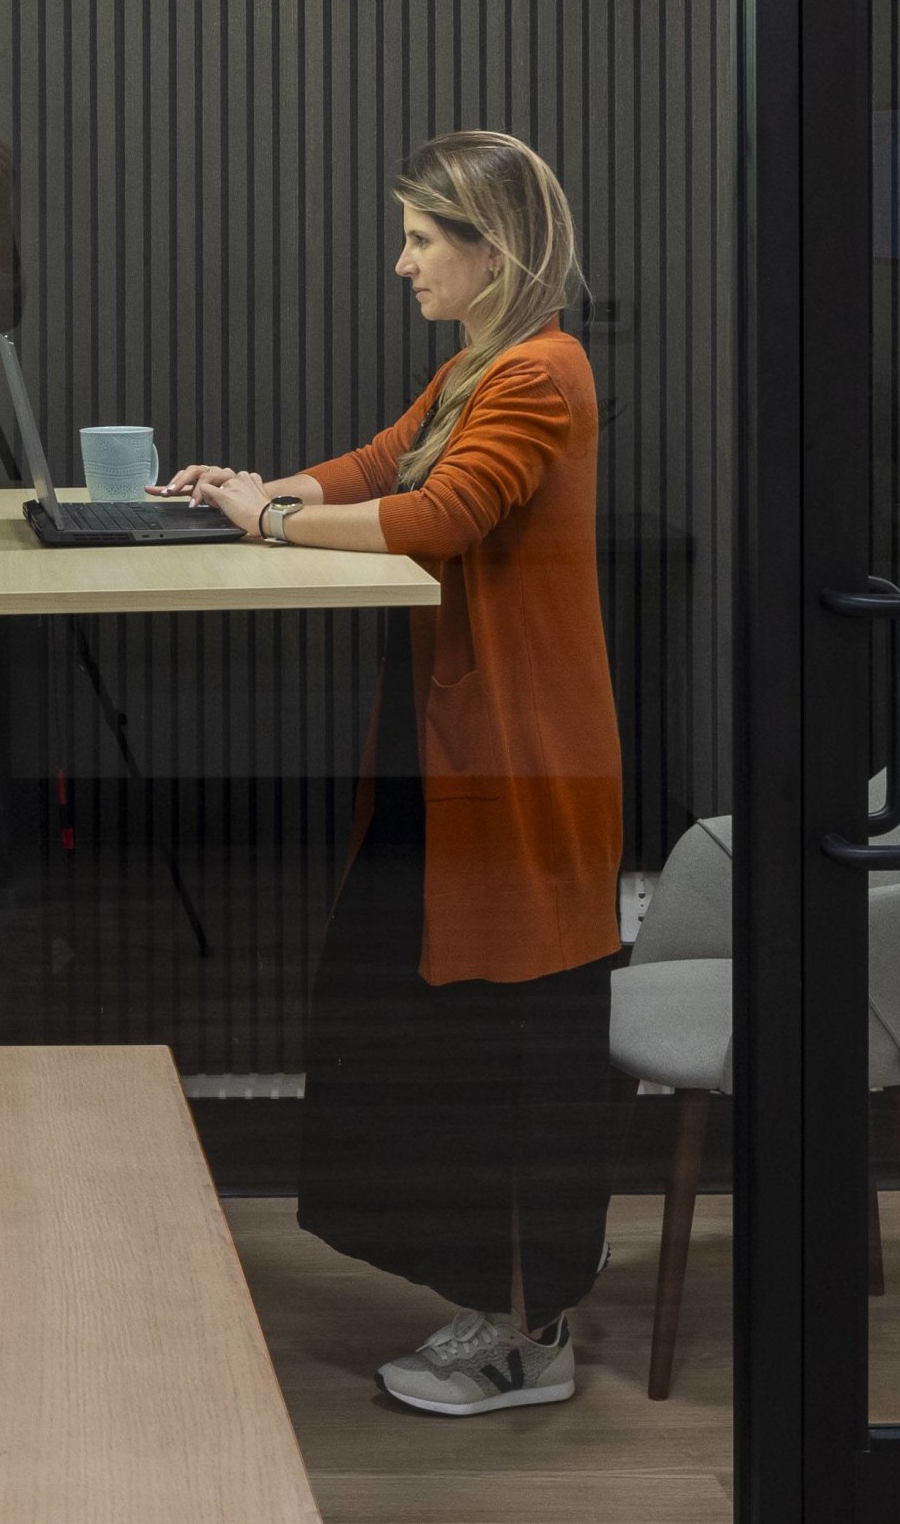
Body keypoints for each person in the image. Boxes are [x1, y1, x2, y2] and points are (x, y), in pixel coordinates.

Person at [165, 129, 626, 1417]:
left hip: (522, 766)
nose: (403, 262)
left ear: (494, 251)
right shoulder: (477, 367)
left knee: (511, 1038)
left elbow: (441, 516)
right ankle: (497, 1305)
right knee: (425, 1022)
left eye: (423, 240)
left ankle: (532, 1339)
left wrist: (273, 520)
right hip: (454, 755)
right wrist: (253, 488)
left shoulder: (541, 373)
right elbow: (380, 468)